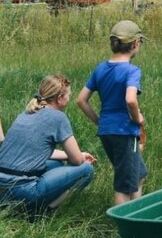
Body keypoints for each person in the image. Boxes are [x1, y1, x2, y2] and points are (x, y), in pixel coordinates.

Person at [0, 74, 96, 211]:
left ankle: (10, 206)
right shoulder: (58, 118)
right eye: (69, 95)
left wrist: (77, 154)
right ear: (60, 98)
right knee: (86, 170)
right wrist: (81, 157)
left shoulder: (26, 113)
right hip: (23, 191)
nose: (69, 98)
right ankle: (45, 211)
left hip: (1, 189)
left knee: (55, 164)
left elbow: (37, 150)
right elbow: (77, 161)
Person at [77, 20, 147, 205]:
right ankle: (123, 229)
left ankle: (136, 213)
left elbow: (81, 100)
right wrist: (137, 117)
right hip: (124, 132)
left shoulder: (101, 68)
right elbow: (130, 99)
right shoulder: (132, 71)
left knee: (139, 174)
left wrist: (99, 121)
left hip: (107, 131)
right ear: (135, 44)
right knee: (124, 186)